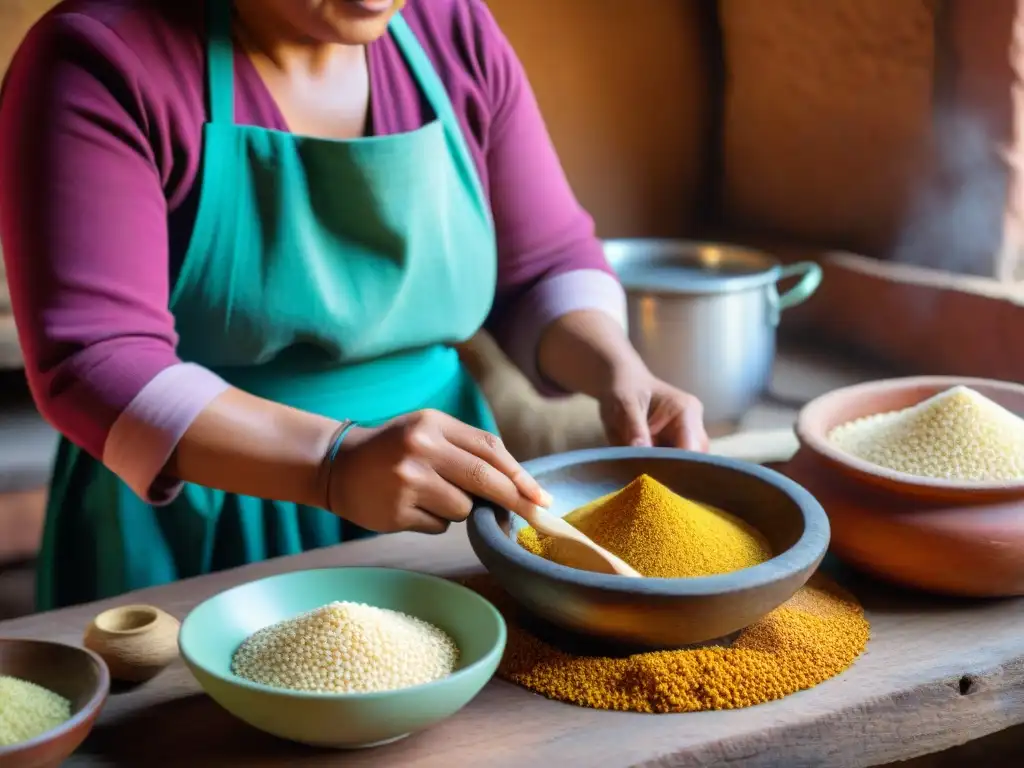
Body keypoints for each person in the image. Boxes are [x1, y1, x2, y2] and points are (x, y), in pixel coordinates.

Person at [0, 0, 708, 611]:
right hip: (200, 509)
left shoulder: (450, 28)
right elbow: (94, 359)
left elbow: (542, 265)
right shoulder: (99, 59)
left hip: (444, 495)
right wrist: (332, 465)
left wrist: (617, 368)